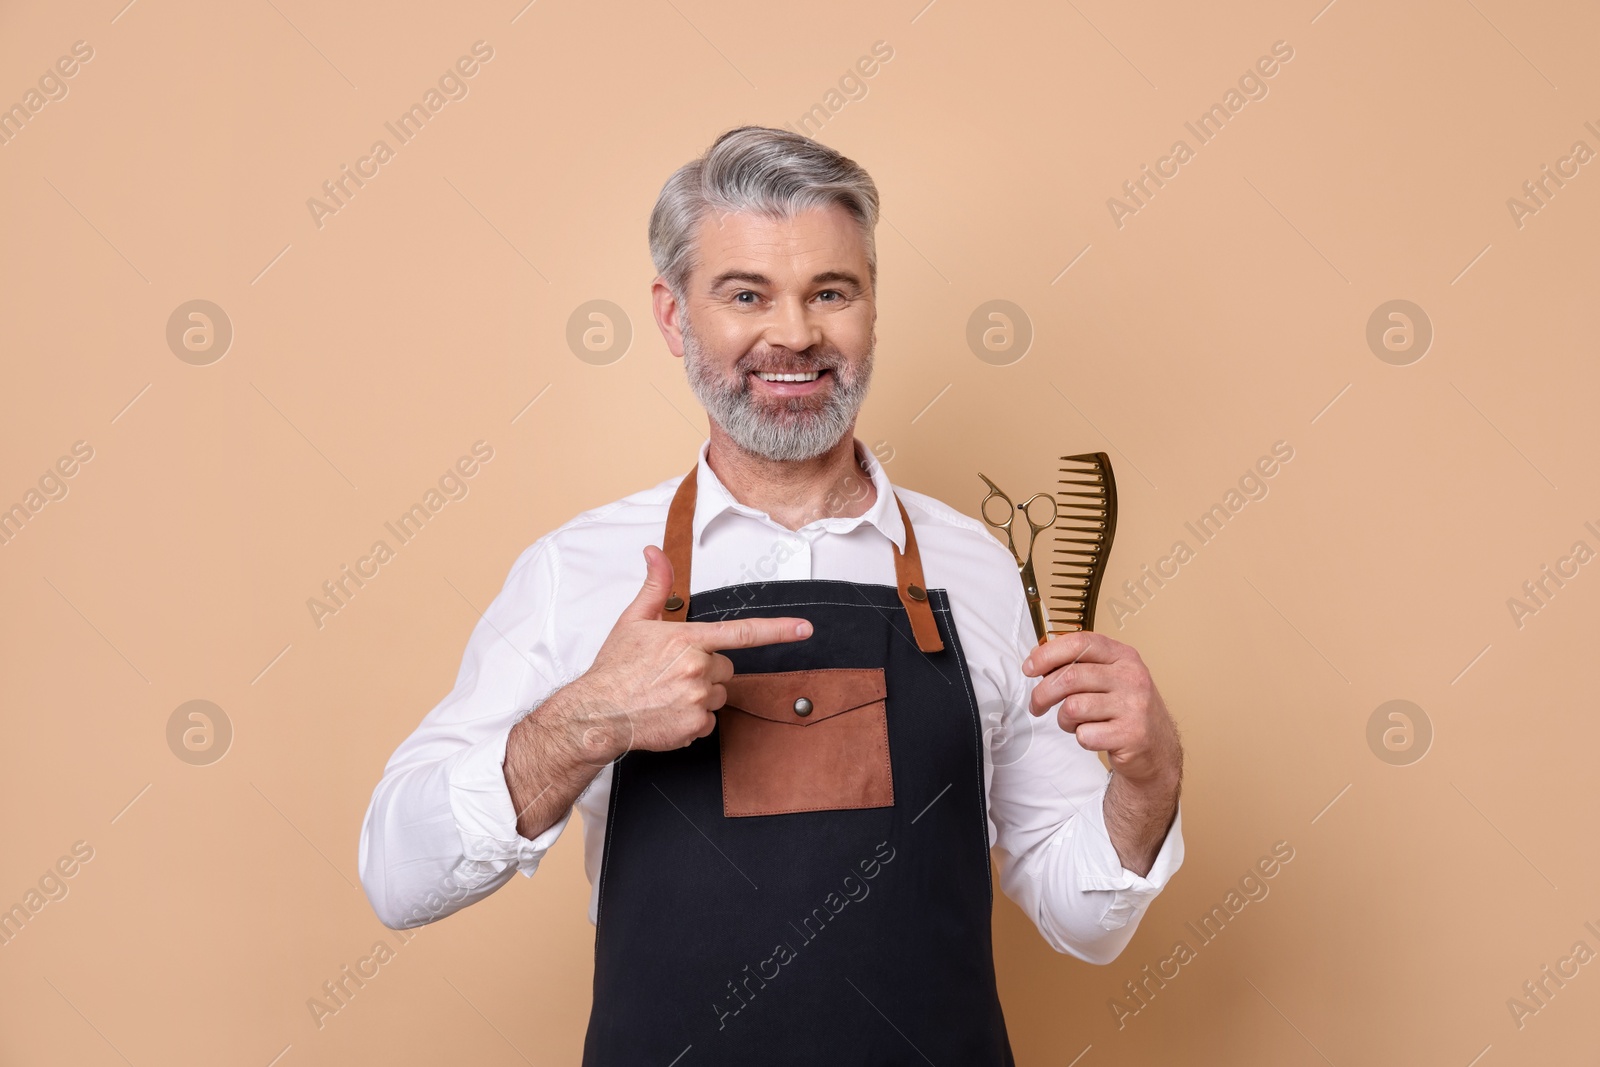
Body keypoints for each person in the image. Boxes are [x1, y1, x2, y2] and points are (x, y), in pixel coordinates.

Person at [358, 125, 1184, 1064]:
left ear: (872, 309)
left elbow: (1085, 918)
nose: (794, 334)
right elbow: (395, 875)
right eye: (746, 294)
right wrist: (583, 722)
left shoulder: (980, 569)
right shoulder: (575, 571)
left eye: (831, 292)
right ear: (674, 317)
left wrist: (1148, 782)